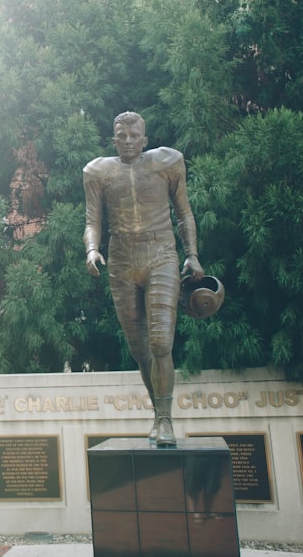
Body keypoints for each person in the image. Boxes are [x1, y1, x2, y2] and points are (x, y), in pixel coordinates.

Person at [83, 111, 203, 447]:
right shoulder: (98, 172)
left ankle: (165, 420)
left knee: (161, 341)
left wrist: (191, 253)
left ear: (145, 139)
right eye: (121, 136)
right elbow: (92, 220)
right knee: (139, 349)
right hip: (121, 259)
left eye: (134, 136)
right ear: (114, 139)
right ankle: (158, 413)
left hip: (160, 254)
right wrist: (92, 249)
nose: (128, 142)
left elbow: (184, 212)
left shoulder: (168, 163)